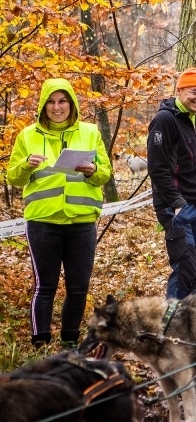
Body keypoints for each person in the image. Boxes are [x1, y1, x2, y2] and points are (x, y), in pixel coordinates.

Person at [8, 78, 112, 347]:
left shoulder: (90, 132)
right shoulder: (27, 135)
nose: (57, 107)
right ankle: (40, 343)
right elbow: (13, 178)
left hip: (81, 222)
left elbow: (105, 173)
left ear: (72, 104)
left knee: (78, 289)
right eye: (51, 101)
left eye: (63, 101)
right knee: (45, 287)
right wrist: (25, 166)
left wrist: (92, 171)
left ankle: (69, 343)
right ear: (44, 105)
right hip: (43, 222)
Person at [147, 67, 196, 300]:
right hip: (176, 206)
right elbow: (157, 168)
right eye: (195, 92)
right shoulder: (164, 120)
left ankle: (186, 316)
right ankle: (171, 319)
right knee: (185, 265)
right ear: (180, 90)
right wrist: (177, 203)